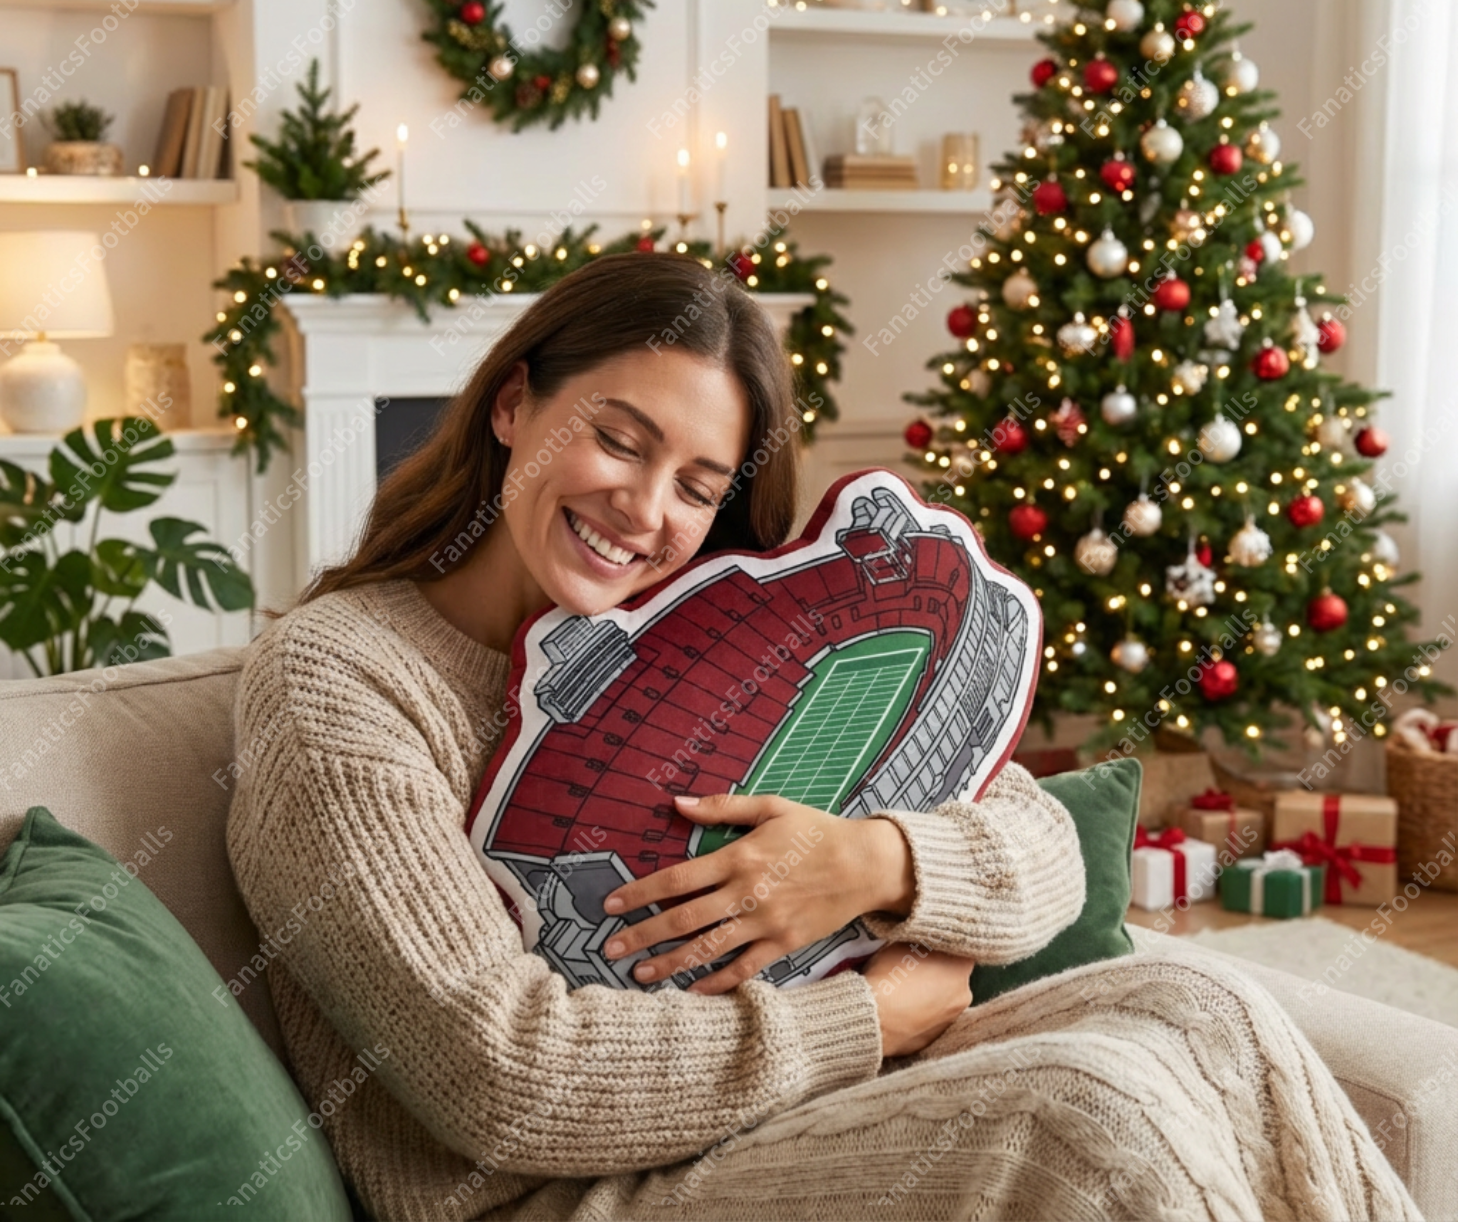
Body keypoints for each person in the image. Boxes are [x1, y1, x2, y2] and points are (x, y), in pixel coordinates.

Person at [227, 254, 1416, 1222]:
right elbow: (499, 1075)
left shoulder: (707, 634)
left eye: (697, 485)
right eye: (619, 439)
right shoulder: (341, 682)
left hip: (765, 1112)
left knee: (1203, 1007)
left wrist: (881, 866)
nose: (645, 513)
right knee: (1081, 1118)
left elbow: (1041, 840)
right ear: (511, 404)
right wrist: (872, 1019)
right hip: (564, 1192)